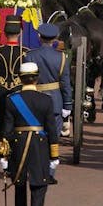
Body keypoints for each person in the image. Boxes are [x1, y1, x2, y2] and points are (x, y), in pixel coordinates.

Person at [0, 62, 60, 206]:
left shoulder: (12, 99)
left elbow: (7, 130)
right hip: (40, 146)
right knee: (39, 189)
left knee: (19, 187)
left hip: (18, 145)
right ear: (37, 77)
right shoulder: (46, 100)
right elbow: (51, 129)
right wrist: (54, 156)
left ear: (20, 78)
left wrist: (3, 155)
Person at [23, 22, 72, 154]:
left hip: (35, 99)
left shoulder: (30, 55)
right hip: (55, 101)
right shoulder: (61, 57)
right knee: (52, 140)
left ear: (39, 37)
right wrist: (67, 106)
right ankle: (49, 170)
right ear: (55, 38)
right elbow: (66, 83)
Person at [0, 16, 27, 132]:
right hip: (19, 92)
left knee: (1, 123)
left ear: (4, 32)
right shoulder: (26, 52)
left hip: (0, 93)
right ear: (20, 32)